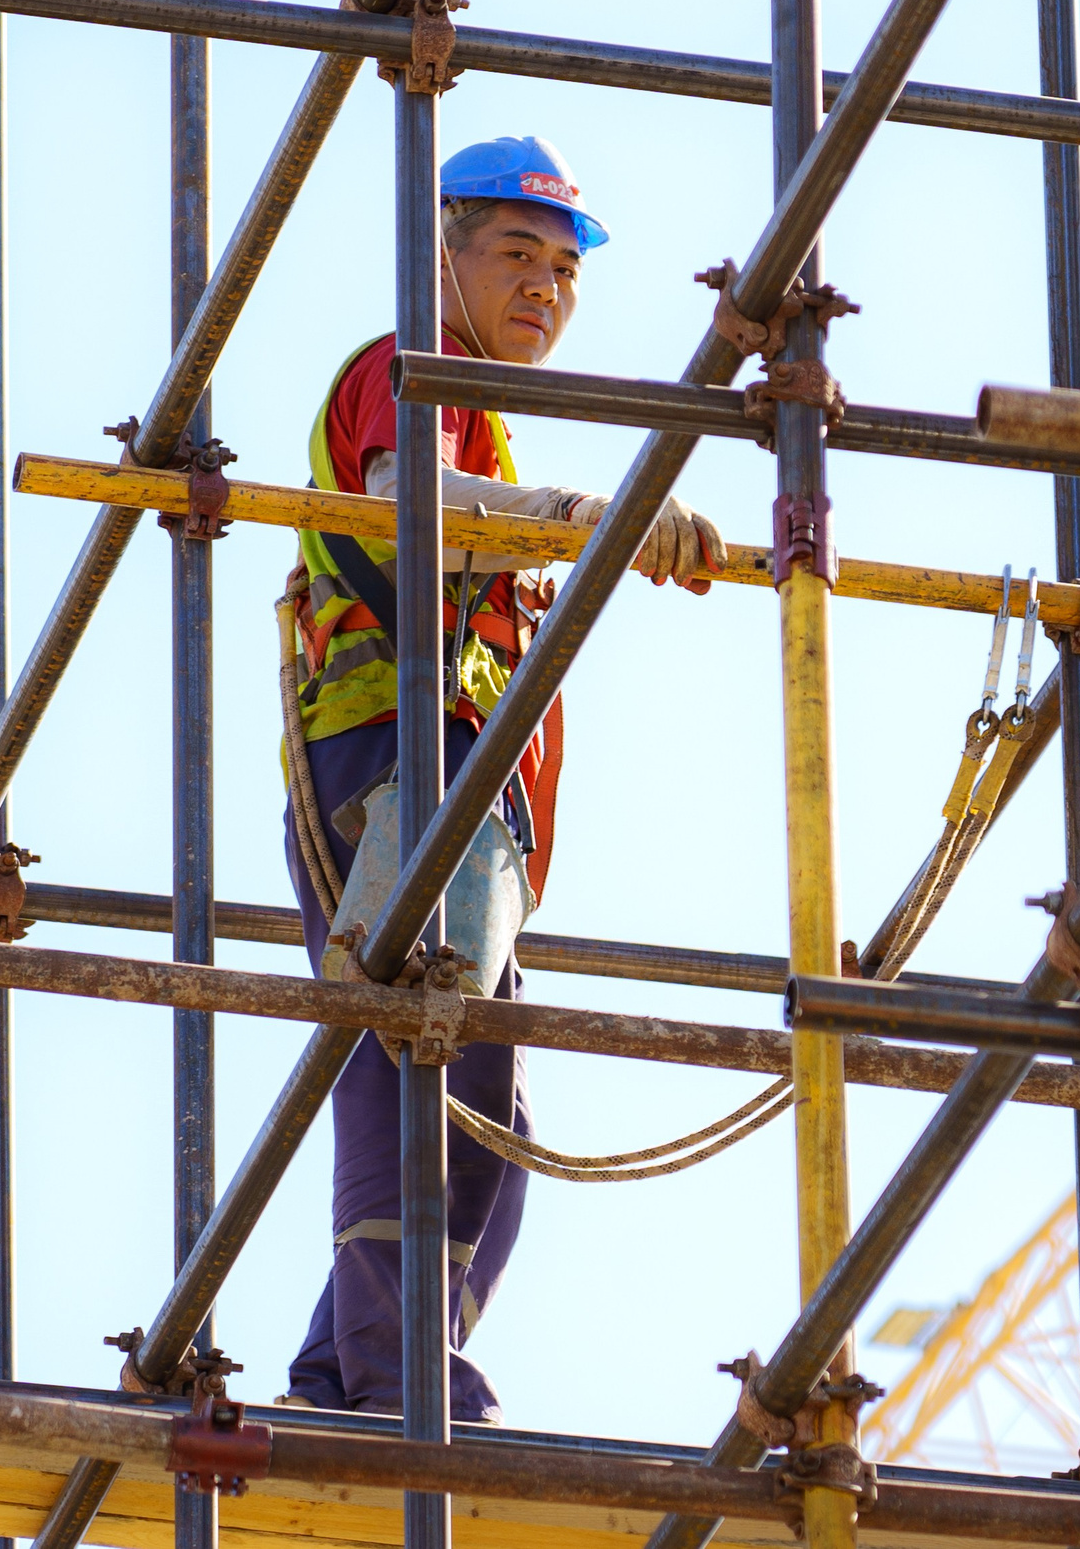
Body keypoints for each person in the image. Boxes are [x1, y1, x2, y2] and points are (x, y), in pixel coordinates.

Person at [276, 136, 724, 1422]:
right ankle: (394, 1379)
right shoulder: (406, 369)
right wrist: (585, 517)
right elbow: (407, 499)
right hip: (393, 756)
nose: (546, 287)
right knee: (421, 1060)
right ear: (443, 256)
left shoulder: (479, 414)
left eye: (566, 269)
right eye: (517, 254)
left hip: (453, 772)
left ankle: (347, 1370)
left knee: (481, 1101)